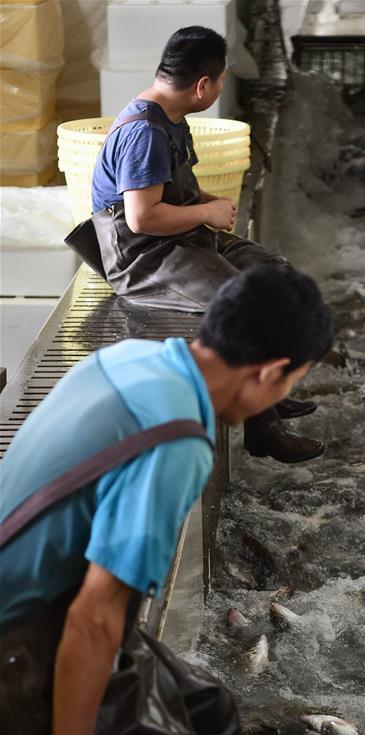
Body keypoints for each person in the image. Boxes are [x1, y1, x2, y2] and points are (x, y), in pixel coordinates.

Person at [0, 265, 333, 735]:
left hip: (37, 609)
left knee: (211, 709)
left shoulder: (133, 360)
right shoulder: (177, 440)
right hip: (17, 658)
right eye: (291, 383)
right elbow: (95, 617)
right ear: (270, 371)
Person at [66, 25, 324, 465]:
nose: (220, 86)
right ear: (203, 85)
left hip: (182, 240)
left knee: (277, 278)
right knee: (240, 305)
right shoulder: (143, 133)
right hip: (144, 258)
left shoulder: (171, 118)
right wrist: (206, 214)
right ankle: (264, 429)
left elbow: (175, 188)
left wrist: (208, 203)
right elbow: (142, 217)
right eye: (221, 80)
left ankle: (269, 396)